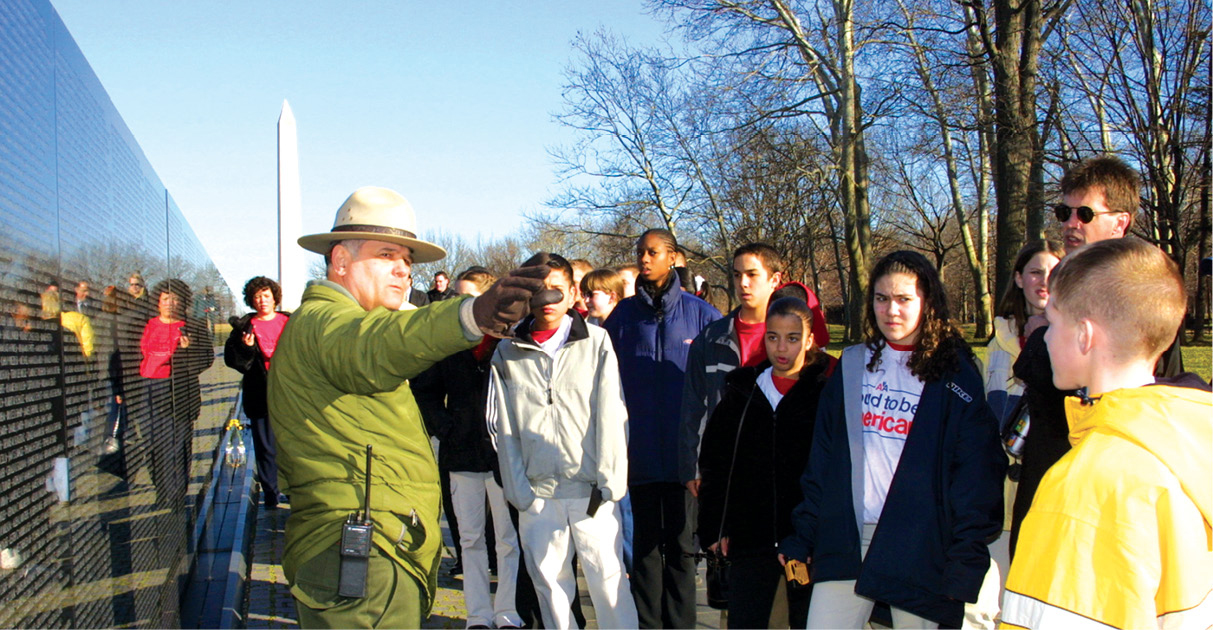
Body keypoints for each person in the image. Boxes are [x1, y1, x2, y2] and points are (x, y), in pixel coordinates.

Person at [266, 186, 547, 628]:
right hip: (363, 554)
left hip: (366, 549)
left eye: (408, 260)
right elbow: (377, 346)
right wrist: (471, 315)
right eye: (386, 254)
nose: (403, 270)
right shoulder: (327, 323)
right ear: (340, 261)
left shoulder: (334, 322)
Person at [779, 251, 1005, 629]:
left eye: (904, 299)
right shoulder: (851, 365)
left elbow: (975, 476)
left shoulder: (957, 374)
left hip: (919, 546)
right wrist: (802, 535)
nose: (891, 310)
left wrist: (965, 561)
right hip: (848, 539)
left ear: (927, 301)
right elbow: (822, 460)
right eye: (881, 299)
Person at [1001, 238, 1212, 628]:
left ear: (1085, 335)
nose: (1044, 337)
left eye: (1053, 322)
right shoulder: (1189, 442)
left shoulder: (1086, 484)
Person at [1008, 156, 1185, 556]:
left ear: (1120, 222)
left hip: (1109, 493)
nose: (1070, 223)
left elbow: (1164, 389)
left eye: (1084, 213)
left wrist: (1039, 338)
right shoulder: (1061, 280)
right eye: (1063, 212)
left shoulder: (1144, 290)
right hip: (1044, 480)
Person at [489, 253, 638, 629]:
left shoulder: (596, 343)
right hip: (537, 495)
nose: (547, 299)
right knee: (551, 589)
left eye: (556, 289)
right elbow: (500, 427)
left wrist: (610, 483)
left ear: (573, 293)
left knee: (609, 584)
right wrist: (519, 491)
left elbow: (612, 412)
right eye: (538, 290)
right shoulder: (508, 352)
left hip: (591, 491)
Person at [602, 229, 720, 629]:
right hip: (638, 457)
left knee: (683, 553)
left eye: (652, 252)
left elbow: (718, 392)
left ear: (674, 257)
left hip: (686, 461)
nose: (644, 259)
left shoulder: (702, 316)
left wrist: (705, 457)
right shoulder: (622, 318)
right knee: (646, 555)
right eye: (640, 253)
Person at [697, 296, 835, 629]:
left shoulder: (826, 393)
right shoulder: (743, 392)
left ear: (810, 339)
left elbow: (835, 469)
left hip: (807, 540)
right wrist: (716, 527)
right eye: (772, 337)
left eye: (792, 338)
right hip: (750, 538)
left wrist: (823, 533)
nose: (781, 348)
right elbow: (716, 462)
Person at [413, 266, 525, 630]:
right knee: (470, 538)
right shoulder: (448, 342)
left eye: (467, 296)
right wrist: (445, 426)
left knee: (508, 539)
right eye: (456, 296)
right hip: (460, 453)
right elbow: (424, 390)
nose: (459, 303)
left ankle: (507, 612)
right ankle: (477, 615)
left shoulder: (512, 341)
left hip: (503, 455)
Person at [680, 244, 828, 498]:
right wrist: (693, 466)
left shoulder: (797, 341)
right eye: (737, 275)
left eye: (752, 274)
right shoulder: (711, 337)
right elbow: (694, 406)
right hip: (725, 470)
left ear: (775, 279)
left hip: (785, 476)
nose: (743, 283)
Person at [140, 278, 213, 510]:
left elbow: (206, 360)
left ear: (183, 302)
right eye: (165, 299)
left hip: (178, 391)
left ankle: (176, 496)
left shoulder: (194, 327)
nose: (169, 303)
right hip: (148, 390)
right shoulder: (146, 325)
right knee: (152, 446)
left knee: (176, 446)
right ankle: (161, 492)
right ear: (157, 302)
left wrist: (187, 350)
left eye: (174, 299)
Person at [224, 276, 291, 509]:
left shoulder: (291, 321)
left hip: (290, 393)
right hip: (260, 394)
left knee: (291, 445)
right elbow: (234, 362)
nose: (262, 300)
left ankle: (294, 491)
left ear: (274, 297)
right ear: (251, 301)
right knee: (266, 448)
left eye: (266, 295)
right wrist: (247, 348)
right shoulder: (244, 327)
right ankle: (271, 494)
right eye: (257, 296)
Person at [984, 240, 1064, 424]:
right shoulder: (999, 340)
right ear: (1019, 279)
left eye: (1054, 273)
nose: (1045, 281)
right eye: (1036, 272)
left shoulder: (1074, 341)